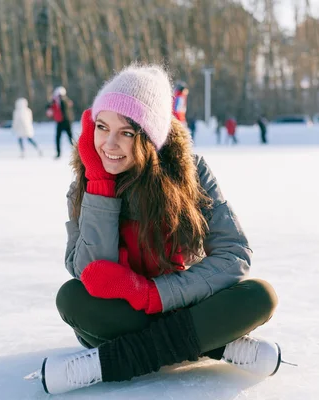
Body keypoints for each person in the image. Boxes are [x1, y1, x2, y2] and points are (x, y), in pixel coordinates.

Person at [27, 65, 280, 395]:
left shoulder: (191, 173)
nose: (109, 144)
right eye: (102, 127)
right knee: (72, 299)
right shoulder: (87, 182)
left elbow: (234, 255)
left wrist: (151, 295)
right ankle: (213, 345)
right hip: (127, 315)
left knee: (259, 296)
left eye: (127, 133)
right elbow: (86, 270)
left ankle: (105, 363)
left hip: (185, 299)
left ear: (150, 138)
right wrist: (101, 187)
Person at [46, 86, 74, 159]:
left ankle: (77, 152)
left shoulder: (64, 101)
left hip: (65, 121)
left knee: (70, 138)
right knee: (59, 138)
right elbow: (49, 107)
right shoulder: (57, 101)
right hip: (61, 122)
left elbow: (65, 107)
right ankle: (58, 153)